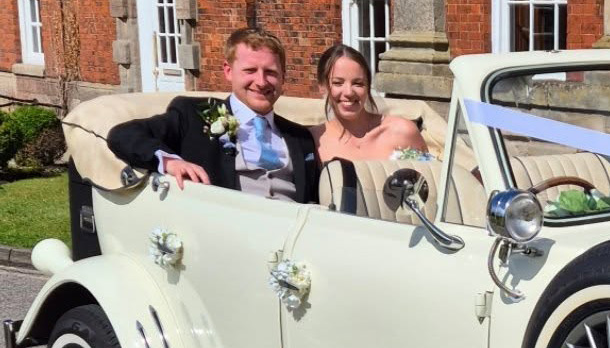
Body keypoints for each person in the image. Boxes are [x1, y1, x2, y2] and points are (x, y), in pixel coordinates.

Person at [107, 28, 319, 203]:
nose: (261, 81)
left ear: (283, 76)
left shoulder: (299, 138)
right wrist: (170, 162)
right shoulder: (192, 115)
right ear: (228, 71)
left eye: (271, 72)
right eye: (250, 70)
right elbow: (123, 135)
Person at [311, 44, 427, 163]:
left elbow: (429, 178)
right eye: (338, 83)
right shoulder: (312, 141)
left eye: (358, 83)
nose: (349, 92)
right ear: (322, 86)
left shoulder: (403, 132)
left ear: (368, 87)